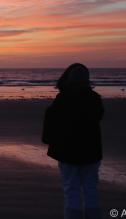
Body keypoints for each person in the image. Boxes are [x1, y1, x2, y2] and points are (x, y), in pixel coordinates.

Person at [42, 63, 104, 219]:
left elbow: (50, 121)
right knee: (91, 188)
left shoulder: (63, 99)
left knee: (71, 189)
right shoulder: (94, 99)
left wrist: (48, 140)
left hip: (67, 151)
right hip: (91, 150)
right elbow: (98, 117)